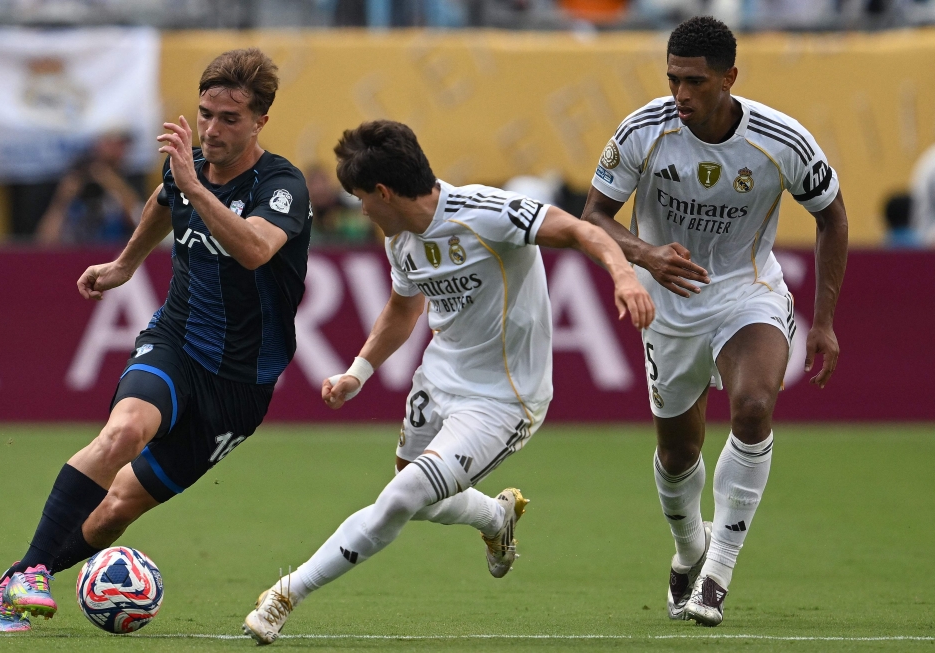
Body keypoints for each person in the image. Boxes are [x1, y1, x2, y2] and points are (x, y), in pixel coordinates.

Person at [242, 119, 655, 645]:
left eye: (364, 199)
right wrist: (358, 372)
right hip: (437, 380)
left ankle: (284, 594)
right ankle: (493, 514)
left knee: (400, 497)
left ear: (385, 192)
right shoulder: (401, 240)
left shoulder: (488, 213)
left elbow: (581, 230)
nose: (362, 211)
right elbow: (401, 308)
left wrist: (623, 275)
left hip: (504, 400)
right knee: (418, 495)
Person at [0, 48, 312, 632]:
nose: (212, 129)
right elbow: (166, 201)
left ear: (260, 121)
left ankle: (19, 574)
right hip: (176, 341)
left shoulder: (283, 184)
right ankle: (28, 574)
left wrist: (192, 183)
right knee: (124, 430)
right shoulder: (184, 169)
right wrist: (125, 264)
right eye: (205, 113)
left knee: (116, 510)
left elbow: (256, 249)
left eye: (230, 119)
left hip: (241, 385)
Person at [581, 16, 847, 626]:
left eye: (695, 82)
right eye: (673, 78)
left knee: (754, 406)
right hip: (668, 303)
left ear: (729, 77)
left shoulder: (782, 140)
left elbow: (833, 217)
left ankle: (717, 575)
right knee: (679, 453)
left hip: (744, 293)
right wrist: (645, 254)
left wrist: (825, 321)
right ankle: (687, 553)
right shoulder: (644, 129)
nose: (681, 94)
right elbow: (594, 214)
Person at [35, 131, 147, 244]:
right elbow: (45, 241)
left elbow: (141, 225)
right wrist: (61, 202)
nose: (118, 151)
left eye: (122, 145)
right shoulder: (76, 175)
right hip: (76, 253)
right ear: (97, 144)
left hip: (115, 252)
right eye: (112, 143)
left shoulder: (129, 179)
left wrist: (115, 185)